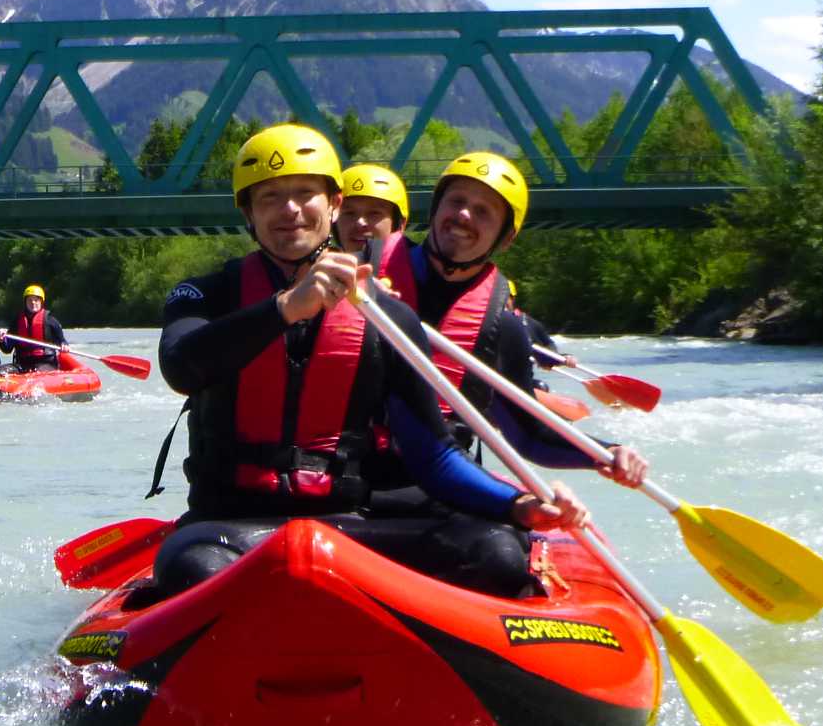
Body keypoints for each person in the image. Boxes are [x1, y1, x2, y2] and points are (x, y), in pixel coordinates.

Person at [152, 123, 592, 598]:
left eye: (305, 193)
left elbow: (433, 455)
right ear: (248, 213)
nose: (290, 210)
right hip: (230, 528)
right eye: (270, 197)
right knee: (193, 568)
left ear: (334, 205)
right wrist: (284, 308)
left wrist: (517, 504)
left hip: (345, 529)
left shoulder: (387, 314)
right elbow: (181, 366)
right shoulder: (206, 293)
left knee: (499, 554)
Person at [376, 152, 646, 492]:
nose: (463, 215)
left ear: (506, 238)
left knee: (501, 548)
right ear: (435, 210)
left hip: (441, 485)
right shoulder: (363, 274)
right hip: (352, 476)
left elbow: (530, 436)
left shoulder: (501, 329)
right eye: (456, 201)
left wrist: (607, 452)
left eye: (483, 212)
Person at [334, 164, 408, 254]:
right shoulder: (317, 267)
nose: (360, 223)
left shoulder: (419, 267)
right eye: (349, 213)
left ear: (400, 224)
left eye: (374, 213)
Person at [0, 284, 68, 371]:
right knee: (0, 371)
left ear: (41, 302)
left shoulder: (51, 320)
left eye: (36, 300)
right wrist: (1, 340)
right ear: (25, 302)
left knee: (36, 370)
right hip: (23, 363)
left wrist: (64, 345)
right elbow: (7, 349)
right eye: (30, 300)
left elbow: (62, 341)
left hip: (46, 363)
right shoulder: (17, 322)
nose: (33, 303)